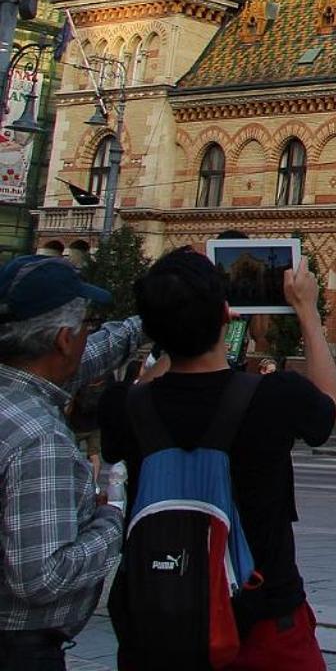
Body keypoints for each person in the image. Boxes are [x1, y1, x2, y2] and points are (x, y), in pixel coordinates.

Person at [101, 247, 336, 671]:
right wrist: (307, 311)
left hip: (157, 620)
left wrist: (173, 328)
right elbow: (333, 408)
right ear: (225, 314)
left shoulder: (123, 407)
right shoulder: (274, 397)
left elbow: (150, 382)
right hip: (264, 618)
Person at [0, 256, 144, 669]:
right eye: (86, 328)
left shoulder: (16, 392)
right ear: (65, 339)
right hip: (18, 649)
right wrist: (111, 519)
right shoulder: (40, 440)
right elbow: (42, 575)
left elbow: (87, 357)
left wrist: (145, 322)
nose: (88, 339)